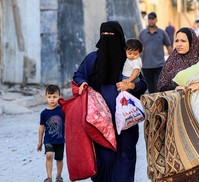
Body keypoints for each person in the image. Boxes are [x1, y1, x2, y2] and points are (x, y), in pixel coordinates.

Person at [73, 21, 147, 182]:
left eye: (110, 36)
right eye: (103, 35)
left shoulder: (129, 60)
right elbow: (78, 75)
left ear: (119, 37)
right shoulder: (93, 59)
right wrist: (83, 83)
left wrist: (131, 84)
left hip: (126, 120)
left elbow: (143, 84)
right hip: (100, 120)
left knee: (125, 155)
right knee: (103, 157)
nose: (107, 39)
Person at [157, 27, 199, 182]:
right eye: (177, 41)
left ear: (192, 42)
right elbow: (160, 87)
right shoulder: (171, 62)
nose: (179, 44)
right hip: (177, 121)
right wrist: (175, 88)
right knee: (179, 161)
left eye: (183, 41)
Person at [139, 12, 172, 93]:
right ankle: (154, 105)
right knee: (151, 89)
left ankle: (161, 104)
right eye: (149, 19)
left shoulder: (162, 33)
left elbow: (168, 46)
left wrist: (172, 60)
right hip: (146, 66)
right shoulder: (142, 33)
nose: (151, 21)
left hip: (159, 65)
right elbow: (138, 49)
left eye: (153, 19)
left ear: (156, 20)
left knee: (159, 87)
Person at [37, 85, 65, 182]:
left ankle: (58, 176)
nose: (52, 99)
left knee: (59, 158)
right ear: (46, 97)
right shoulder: (44, 113)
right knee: (49, 155)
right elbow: (41, 128)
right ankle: (49, 177)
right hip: (48, 139)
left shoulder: (62, 110)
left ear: (59, 97)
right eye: (49, 97)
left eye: (54, 97)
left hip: (60, 140)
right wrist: (40, 141)